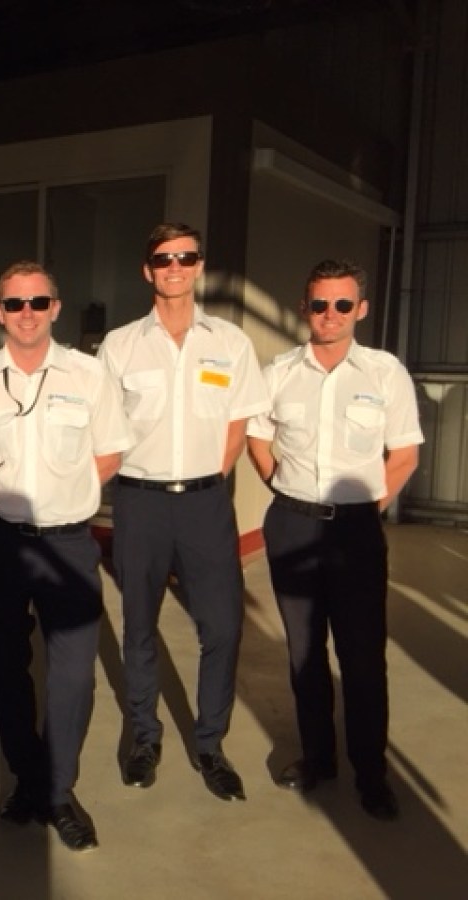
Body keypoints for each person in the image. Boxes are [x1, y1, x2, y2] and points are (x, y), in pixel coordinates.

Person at [0, 261, 131, 851]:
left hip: (66, 543)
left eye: (38, 302)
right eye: (14, 304)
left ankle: (59, 790)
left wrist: (68, 490)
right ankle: (29, 781)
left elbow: (109, 453)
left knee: (73, 677)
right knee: (6, 671)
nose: (27, 313)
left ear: (56, 307)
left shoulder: (90, 376)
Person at [97, 223, 268, 801]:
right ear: (148, 270)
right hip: (140, 502)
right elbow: (105, 430)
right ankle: (145, 734)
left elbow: (237, 425)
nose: (175, 266)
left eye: (186, 256)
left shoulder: (231, 342)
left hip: (203, 503)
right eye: (163, 258)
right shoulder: (120, 345)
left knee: (222, 626)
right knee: (139, 624)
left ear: (199, 266)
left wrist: (205, 481)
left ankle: (211, 743)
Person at [247, 259, 422, 821]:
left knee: (363, 657)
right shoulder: (279, 372)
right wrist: (285, 488)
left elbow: (404, 454)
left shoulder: (384, 373)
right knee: (304, 655)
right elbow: (258, 437)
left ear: (360, 309)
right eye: (319, 304)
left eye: (342, 304)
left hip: (354, 530)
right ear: (305, 308)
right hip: (293, 523)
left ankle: (371, 774)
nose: (330, 315)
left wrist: (365, 511)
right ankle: (318, 759)